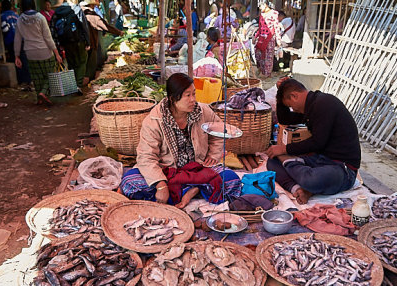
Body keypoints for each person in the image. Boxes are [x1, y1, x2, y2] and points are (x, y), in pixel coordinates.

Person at [120, 73, 242, 208]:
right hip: (168, 171)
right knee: (130, 181)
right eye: (187, 95)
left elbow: (219, 130)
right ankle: (195, 190)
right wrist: (160, 185)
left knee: (231, 179)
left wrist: (213, 155)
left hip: (197, 168)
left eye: (194, 94)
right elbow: (146, 157)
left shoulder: (203, 111)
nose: (193, 100)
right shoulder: (154, 121)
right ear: (173, 98)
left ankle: (190, 191)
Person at [265, 78, 361, 205]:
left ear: (294, 96)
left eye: (290, 106)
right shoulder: (310, 106)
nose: (292, 109)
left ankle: (291, 165)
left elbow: (317, 143)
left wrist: (285, 149)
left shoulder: (324, 104)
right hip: (321, 160)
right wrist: (280, 93)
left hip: (343, 169)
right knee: (272, 161)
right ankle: (299, 189)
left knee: (311, 180)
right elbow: (285, 119)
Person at [14, 0, 63, 105]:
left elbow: (17, 39)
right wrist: (56, 53)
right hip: (44, 50)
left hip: (30, 52)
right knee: (50, 74)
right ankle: (43, 92)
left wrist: (16, 55)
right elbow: (48, 37)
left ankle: (39, 98)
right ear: (33, 5)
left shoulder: (19, 19)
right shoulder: (40, 17)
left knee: (37, 76)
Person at [80, 0, 123, 84]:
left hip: (81, 43)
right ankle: (87, 85)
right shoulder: (91, 15)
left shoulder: (79, 12)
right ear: (91, 5)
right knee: (91, 65)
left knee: (83, 64)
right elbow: (105, 26)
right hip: (91, 42)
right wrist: (119, 32)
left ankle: (81, 82)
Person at [52, 0, 90, 93]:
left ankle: (73, 85)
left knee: (71, 63)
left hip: (65, 42)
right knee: (82, 61)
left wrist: (59, 44)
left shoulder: (57, 12)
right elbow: (83, 25)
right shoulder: (76, 9)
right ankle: (78, 84)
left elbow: (53, 29)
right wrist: (87, 41)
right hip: (78, 40)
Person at [1, 0, 32, 88]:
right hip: (21, 39)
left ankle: (21, 80)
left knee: (15, 60)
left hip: (11, 41)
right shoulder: (16, 15)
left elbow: (5, 30)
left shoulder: (2, 16)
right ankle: (27, 79)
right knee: (23, 58)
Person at [253, 0, 281, 77]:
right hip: (261, 37)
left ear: (265, 5)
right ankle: (262, 71)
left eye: (261, 6)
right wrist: (255, 37)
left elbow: (276, 27)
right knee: (258, 54)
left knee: (268, 56)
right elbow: (260, 27)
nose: (260, 8)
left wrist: (278, 40)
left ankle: (267, 74)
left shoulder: (274, 13)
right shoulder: (262, 15)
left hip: (270, 38)